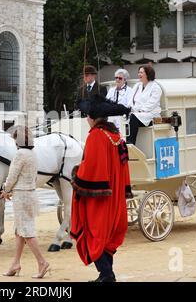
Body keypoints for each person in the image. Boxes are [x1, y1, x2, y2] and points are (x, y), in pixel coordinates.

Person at [70, 94, 131, 282]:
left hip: (100, 198)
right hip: (115, 196)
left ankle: (107, 274)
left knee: (94, 234)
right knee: (107, 237)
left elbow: (91, 168)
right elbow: (123, 168)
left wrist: (76, 176)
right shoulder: (117, 136)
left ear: (92, 118)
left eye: (87, 116)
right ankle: (105, 275)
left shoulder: (97, 135)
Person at [0, 126, 50, 279]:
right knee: (19, 231)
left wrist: (6, 190)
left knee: (26, 231)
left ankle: (42, 262)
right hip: (30, 193)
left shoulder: (20, 154)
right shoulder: (32, 153)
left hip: (21, 195)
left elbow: (12, 175)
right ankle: (15, 263)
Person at [127, 64, 162, 145]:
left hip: (151, 114)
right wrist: (128, 109)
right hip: (137, 113)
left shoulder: (155, 87)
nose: (139, 74)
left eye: (141, 72)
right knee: (125, 117)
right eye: (139, 72)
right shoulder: (137, 85)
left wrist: (140, 111)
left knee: (133, 117)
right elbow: (131, 101)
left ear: (148, 74)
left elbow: (151, 104)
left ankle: (130, 143)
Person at [106, 68, 133, 133]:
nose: (117, 79)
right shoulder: (111, 90)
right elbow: (106, 103)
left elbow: (129, 106)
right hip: (111, 116)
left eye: (120, 78)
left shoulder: (130, 91)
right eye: (116, 78)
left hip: (122, 117)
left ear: (125, 80)